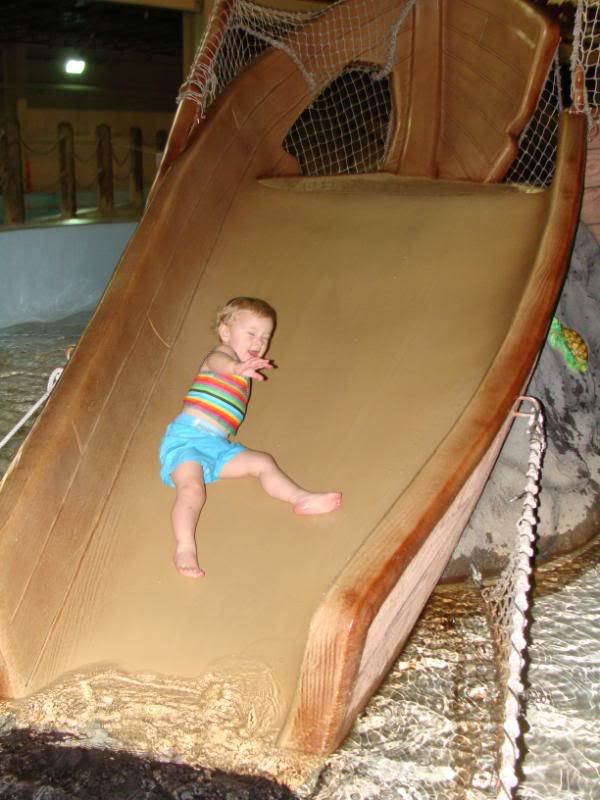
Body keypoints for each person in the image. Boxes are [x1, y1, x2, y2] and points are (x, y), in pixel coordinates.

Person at [159, 297, 342, 578]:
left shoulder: (244, 366)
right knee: (192, 490)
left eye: (265, 337)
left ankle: (300, 498)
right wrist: (236, 369)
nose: (259, 342)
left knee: (262, 462)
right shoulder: (221, 355)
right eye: (251, 333)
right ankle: (185, 546)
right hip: (188, 439)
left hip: (218, 445)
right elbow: (219, 362)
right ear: (225, 332)